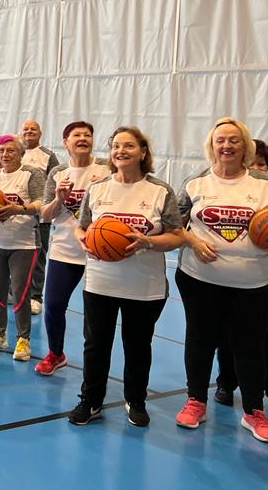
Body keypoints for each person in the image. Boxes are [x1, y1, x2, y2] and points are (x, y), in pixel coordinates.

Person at [173, 119, 268, 443]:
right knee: (200, 340)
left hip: (253, 283)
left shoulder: (267, 185)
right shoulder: (196, 183)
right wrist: (193, 241)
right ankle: (196, 400)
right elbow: (172, 225)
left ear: (246, 146)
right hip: (199, 279)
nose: (226, 146)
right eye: (220, 140)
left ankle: (254, 411)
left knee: (250, 346)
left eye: (234, 140)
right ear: (211, 146)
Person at [67, 126, 185, 428]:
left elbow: (176, 235)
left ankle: (136, 400)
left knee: (137, 345)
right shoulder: (98, 188)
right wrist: (85, 239)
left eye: (129, 146)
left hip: (144, 286)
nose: (121, 151)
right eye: (116, 146)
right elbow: (81, 226)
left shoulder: (159, 191)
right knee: (95, 345)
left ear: (143, 152)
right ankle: (90, 400)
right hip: (100, 282)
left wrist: (148, 242)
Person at [215, 139, 268, 418]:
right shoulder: (231, 195)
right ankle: (226, 382)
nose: (258, 168)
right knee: (228, 333)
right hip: (238, 278)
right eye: (253, 164)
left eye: (263, 164)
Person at [34, 121, 110, 376]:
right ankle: (56, 353)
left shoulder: (106, 169)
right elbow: (45, 214)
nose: (83, 138)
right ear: (65, 142)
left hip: (100, 252)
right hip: (65, 250)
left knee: (95, 315)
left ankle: (95, 365)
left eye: (88, 134)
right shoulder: (58, 173)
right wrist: (59, 198)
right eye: (76, 135)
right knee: (54, 305)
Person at [0, 134, 46, 361]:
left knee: (20, 292)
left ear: (21, 153)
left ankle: (23, 338)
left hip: (24, 244)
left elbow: (40, 205)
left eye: (11, 150)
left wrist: (18, 209)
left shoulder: (30, 174)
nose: (5, 154)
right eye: (2, 151)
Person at [20, 119, 60, 315]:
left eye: (33, 129)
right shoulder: (15, 152)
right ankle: (15, 292)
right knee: (17, 254)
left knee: (38, 256)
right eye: (25, 129)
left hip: (39, 215)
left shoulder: (48, 156)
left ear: (40, 133)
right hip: (17, 213)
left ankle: (36, 296)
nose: (29, 131)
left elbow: (56, 182)